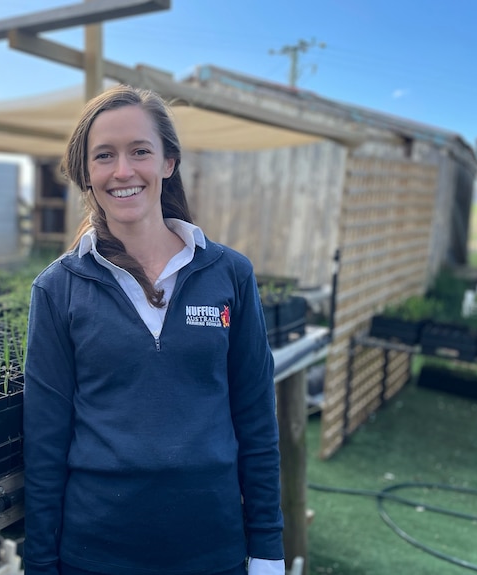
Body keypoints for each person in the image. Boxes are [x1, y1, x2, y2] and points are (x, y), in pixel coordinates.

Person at [23, 84, 284, 575]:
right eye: (104, 156)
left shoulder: (229, 274)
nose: (123, 171)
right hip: (97, 554)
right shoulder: (58, 289)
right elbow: (45, 442)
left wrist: (267, 547)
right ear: (87, 173)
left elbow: (255, 418)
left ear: (168, 163)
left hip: (213, 551)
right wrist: (40, 563)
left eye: (140, 151)